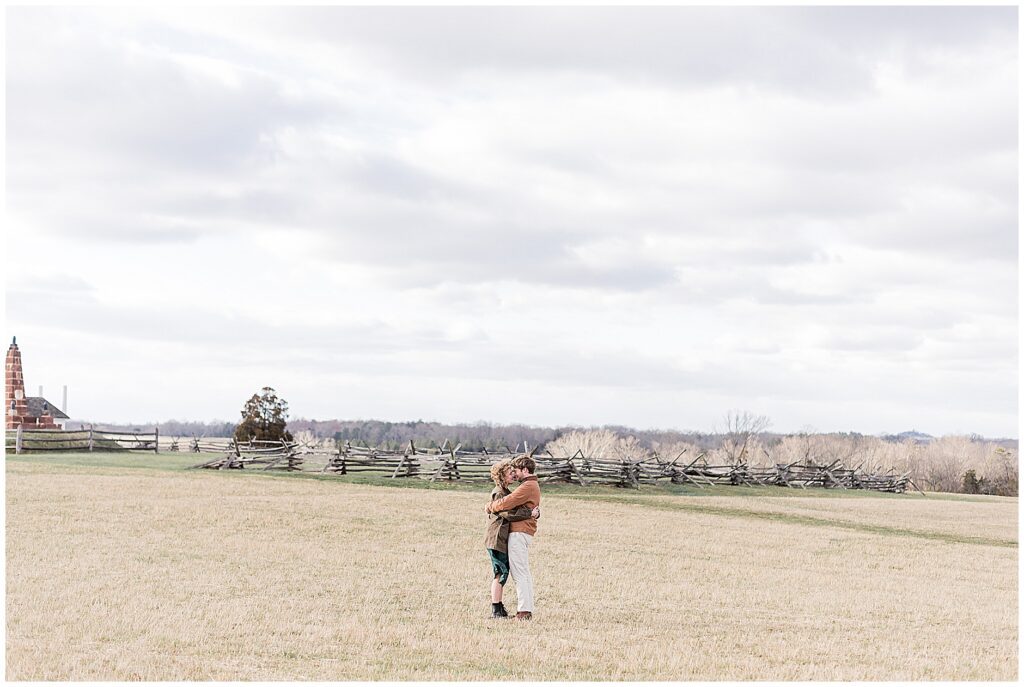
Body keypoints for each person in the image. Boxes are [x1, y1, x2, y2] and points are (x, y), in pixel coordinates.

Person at [486, 455, 541, 620]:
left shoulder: (527, 486)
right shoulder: (529, 485)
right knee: (521, 572)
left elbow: (508, 503)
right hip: (517, 532)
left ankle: (524, 611)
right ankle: (523, 609)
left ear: (525, 470)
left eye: (516, 471)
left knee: (519, 573)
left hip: (519, 532)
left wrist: (490, 506)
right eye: (511, 472)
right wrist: (532, 513)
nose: (515, 475)